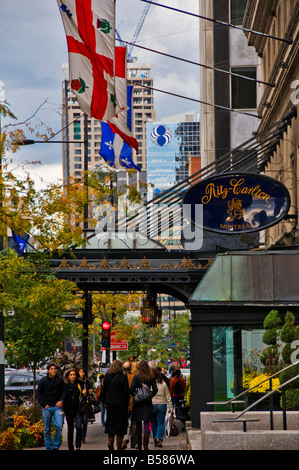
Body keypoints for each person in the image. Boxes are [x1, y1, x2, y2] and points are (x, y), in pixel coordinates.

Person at [129, 360, 158, 450]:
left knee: (138, 423)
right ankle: (146, 445)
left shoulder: (136, 377)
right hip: (147, 403)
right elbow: (155, 390)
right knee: (146, 423)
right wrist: (149, 396)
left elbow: (131, 389)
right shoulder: (151, 377)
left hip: (138, 403)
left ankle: (140, 445)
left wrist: (136, 395)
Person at [102, 359, 130, 450]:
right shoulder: (123, 377)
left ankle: (110, 441)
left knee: (111, 424)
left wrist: (105, 403)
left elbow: (104, 391)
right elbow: (126, 392)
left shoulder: (107, 376)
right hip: (121, 406)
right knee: (120, 428)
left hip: (110, 405)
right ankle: (118, 446)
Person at [37, 362, 65, 450]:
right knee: (47, 429)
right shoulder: (43, 381)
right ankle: (48, 447)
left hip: (57, 407)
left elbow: (64, 391)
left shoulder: (60, 380)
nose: (53, 370)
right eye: (52, 369)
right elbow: (39, 393)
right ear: (48, 370)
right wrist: (43, 404)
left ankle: (56, 446)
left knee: (59, 426)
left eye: (54, 369)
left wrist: (61, 401)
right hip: (47, 408)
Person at [64, 368, 85, 450]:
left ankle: (78, 445)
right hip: (69, 409)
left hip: (78, 408)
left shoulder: (79, 384)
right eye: (71, 375)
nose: (72, 376)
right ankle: (70, 447)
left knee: (79, 427)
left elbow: (82, 396)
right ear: (68, 376)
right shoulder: (65, 385)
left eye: (74, 375)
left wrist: (84, 394)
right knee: (70, 429)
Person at [151, 367, 173, 447]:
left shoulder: (151, 384)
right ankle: (159, 437)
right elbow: (168, 396)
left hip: (152, 405)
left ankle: (155, 440)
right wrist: (171, 407)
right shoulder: (163, 384)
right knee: (161, 423)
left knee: (153, 423)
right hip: (162, 405)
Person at [122, 361, 137, 449]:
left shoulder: (121, 377)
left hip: (124, 403)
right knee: (134, 423)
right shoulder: (134, 377)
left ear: (123, 369)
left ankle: (124, 439)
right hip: (134, 402)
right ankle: (133, 442)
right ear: (130, 368)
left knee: (124, 423)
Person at [78, 367, 93, 443]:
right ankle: (79, 436)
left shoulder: (86, 382)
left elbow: (89, 391)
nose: (82, 373)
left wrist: (89, 392)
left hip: (85, 403)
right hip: (78, 404)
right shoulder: (77, 382)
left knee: (85, 421)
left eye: (83, 372)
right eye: (80, 372)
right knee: (79, 422)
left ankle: (83, 436)